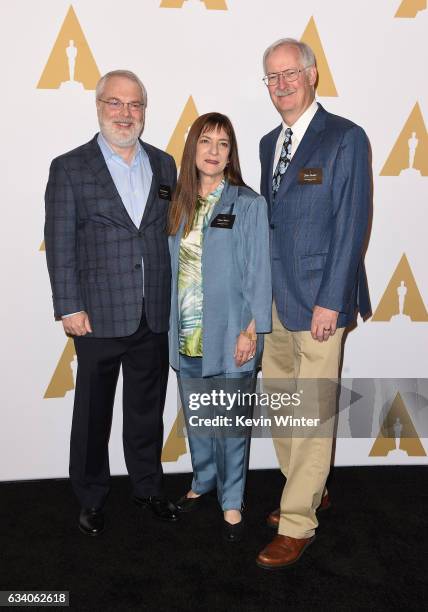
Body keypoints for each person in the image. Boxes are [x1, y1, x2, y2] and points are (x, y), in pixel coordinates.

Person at [44, 70, 179, 536]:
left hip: (152, 312)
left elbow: (165, 237)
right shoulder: (70, 167)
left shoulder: (165, 165)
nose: (126, 113)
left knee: (147, 411)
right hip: (96, 316)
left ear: (145, 109)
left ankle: (147, 488)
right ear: (99, 106)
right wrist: (69, 305)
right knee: (93, 413)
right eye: (116, 103)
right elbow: (59, 242)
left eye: (135, 104)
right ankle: (90, 497)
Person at [256, 39, 371, 568]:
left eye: (290, 73)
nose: (281, 84)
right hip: (275, 303)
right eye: (272, 76)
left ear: (312, 74)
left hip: (320, 302)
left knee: (313, 413)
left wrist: (333, 301)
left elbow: (351, 225)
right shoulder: (264, 143)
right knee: (283, 406)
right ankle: (308, 485)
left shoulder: (345, 138)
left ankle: (299, 520)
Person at [168, 112, 271, 542]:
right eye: (206, 142)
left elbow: (259, 273)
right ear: (192, 148)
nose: (213, 152)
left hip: (232, 334)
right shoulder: (178, 203)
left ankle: (232, 499)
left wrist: (251, 330)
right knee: (199, 419)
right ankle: (203, 480)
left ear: (231, 153)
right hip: (188, 333)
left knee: (230, 424)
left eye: (223, 144)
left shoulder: (248, 203)